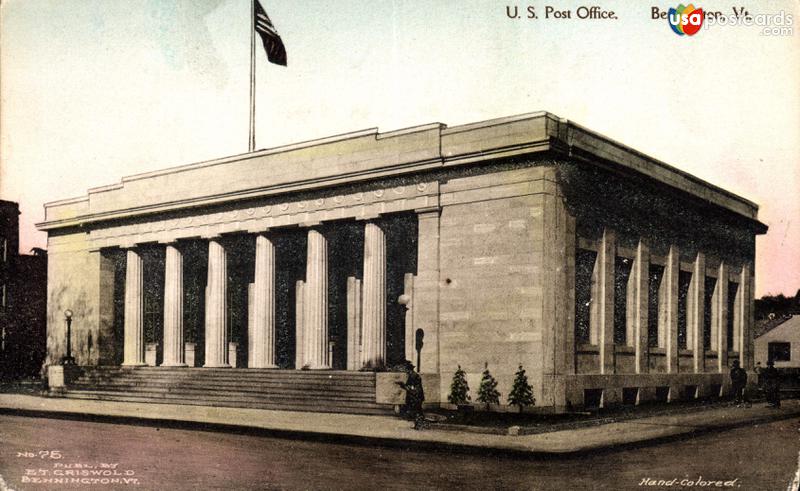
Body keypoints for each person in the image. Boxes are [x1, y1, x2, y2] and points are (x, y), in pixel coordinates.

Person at [396, 360, 425, 429]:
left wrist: (403, 385)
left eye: (406, 369)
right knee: (417, 410)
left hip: (415, 396)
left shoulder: (413, 376)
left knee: (417, 410)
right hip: (416, 395)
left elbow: (411, 387)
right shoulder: (413, 375)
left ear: (409, 369)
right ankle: (418, 425)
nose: (406, 371)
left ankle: (419, 425)